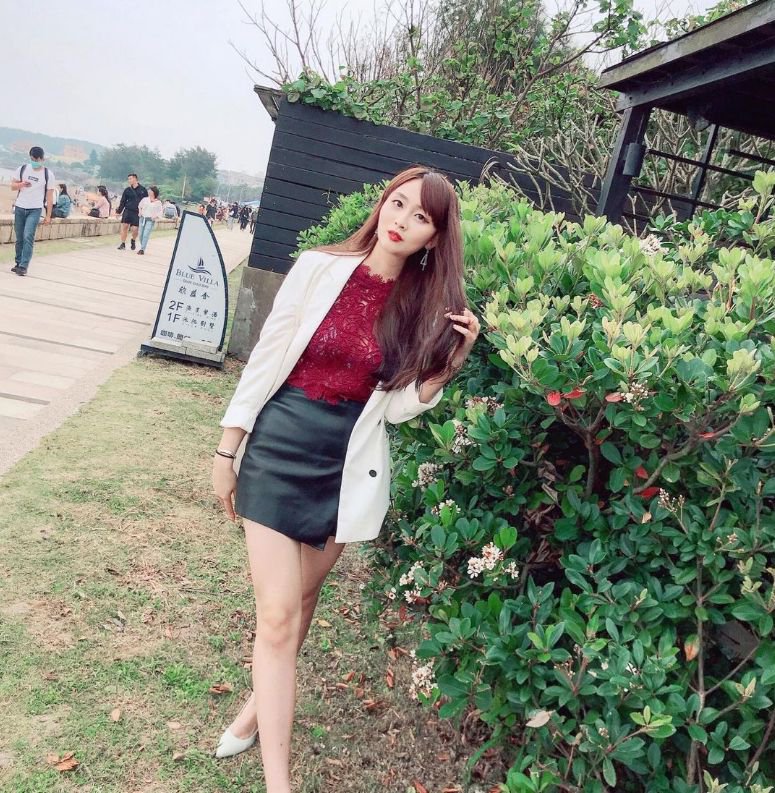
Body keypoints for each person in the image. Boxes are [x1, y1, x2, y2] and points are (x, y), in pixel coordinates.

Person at [211, 166, 480, 791]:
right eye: (398, 204)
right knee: (278, 614)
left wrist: (447, 368)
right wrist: (228, 448)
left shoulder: (422, 308)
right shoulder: (318, 268)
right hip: (279, 447)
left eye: (421, 217)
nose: (401, 221)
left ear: (435, 237)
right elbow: (266, 358)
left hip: (345, 464)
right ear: (382, 203)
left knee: (303, 599)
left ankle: (254, 710)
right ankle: (279, 782)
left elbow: (397, 406)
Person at [10, 146, 55, 277]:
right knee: (19, 238)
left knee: (28, 236)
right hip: (20, 207)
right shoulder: (23, 169)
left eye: (37, 160)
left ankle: (24, 266)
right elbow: (12, 186)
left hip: (35, 209)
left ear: (42, 159)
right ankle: (18, 262)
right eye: (32, 159)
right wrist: (21, 184)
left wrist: (48, 215)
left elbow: (50, 197)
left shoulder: (48, 174)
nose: (34, 162)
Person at [116, 173, 148, 251]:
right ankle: (123, 243)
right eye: (128, 179)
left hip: (137, 212)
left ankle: (133, 240)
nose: (129, 180)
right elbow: (123, 201)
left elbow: (146, 202)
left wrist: (144, 212)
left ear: (135, 179)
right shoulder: (127, 190)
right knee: (124, 227)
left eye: (130, 179)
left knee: (135, 229)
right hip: (128, 210)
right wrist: (119, 211)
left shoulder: (143, 190)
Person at [137, 186, 163, 255]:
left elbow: (160, 211)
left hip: (150, 220)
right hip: (142, 218)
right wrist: (140, 212)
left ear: (154, 192)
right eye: (149, 190)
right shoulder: (145, 199)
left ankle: (142, 249)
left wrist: (155, 216)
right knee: (140, 234)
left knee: (146, 234)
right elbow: (140, 206)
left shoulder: (158, 202)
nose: (149, 191)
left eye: (150, 190)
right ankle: (142, 246)